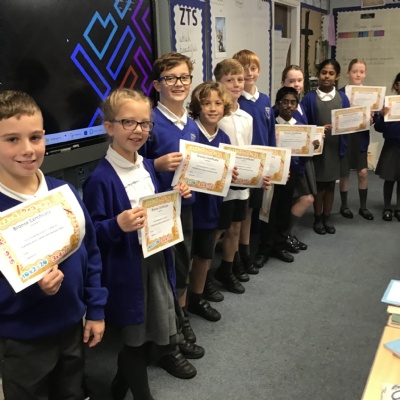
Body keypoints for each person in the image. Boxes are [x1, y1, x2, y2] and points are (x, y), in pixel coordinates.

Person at [82, 89, 198, 399]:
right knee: (135, 340)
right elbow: (91, 237)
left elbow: (156, 207)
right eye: (128, 122)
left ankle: (120, 383)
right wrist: (117, 225)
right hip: (129, 271)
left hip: (156, 261)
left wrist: (178, 196)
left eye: (145, 123)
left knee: (153, 335)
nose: (138, 130)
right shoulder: (100, 179)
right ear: (109, 127)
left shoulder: (146, 166)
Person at [0, 90, 107, 400]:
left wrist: (96, 310)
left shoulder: (64, 193)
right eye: (12, 139)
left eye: (35, 137)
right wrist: (35, 289)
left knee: (72, 392)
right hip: (22, 339)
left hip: (71, 326)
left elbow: (91, 254)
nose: (28, 149)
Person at [138, 52, 203, 377]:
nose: (178, 83)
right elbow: (131, 166)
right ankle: (168, 340)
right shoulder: (148, 123)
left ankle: (180, 321)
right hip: (157, 215)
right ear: (157, 84)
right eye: (170, 78)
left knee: (181, 269)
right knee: (163, 278)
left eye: (184, 77)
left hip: (184, 209)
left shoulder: (190, 123)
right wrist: (156, 164)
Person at [187, 81, 234, 322]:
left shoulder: (224, 138)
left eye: (218, 103)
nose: (213, 108)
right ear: (198, 106)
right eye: (206, 103)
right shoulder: (189, 132)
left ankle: (197, 297)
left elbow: (228, 174)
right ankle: (180, 306)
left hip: (211, 207)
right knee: (184, 257)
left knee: (205, 255)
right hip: (188, 207)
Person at [232, 49, 276, 272]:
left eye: (253, 68)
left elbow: (271, 133)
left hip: (261, 166)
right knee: (239, 214)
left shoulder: (265, 100)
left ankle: (246, 250)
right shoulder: (234, 102)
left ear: (258, 70)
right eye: (243, 69)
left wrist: (274, 164)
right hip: (242, 167)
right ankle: (235, 256)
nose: (249, 73)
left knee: (250, 211)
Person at [213, 58, 252, 294]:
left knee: (236, 227)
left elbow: (248, 149)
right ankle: (204, 276)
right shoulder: (215, 116)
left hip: (241, 183)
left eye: (240, 79)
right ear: (219, 83)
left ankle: (227, 269)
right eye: (229, 80)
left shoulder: (247, 117)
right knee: (218, 230)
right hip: (221, 184)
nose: (236, 84)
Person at [301, 59, 350, 235]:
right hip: (317, 149)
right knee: (319, 185)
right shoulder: (309, 98)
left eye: (331, 73)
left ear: (337, 76)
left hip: (335, 148)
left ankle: (327, 217)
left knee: (330, 185)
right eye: (323, 72)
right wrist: (319, 130)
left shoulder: (343, 98)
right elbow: (303, 124)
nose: (327, 76)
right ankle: (317, 217)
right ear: (318, 74)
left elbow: (348, 122)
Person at [278, 65, 315, 253]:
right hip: (286, 165)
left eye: (299, 80)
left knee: (303, 199)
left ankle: (286, 234)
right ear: (283, 83)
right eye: (291, 81)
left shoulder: (300, 106)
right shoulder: (279, 109)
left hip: (300, 162)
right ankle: (284, 235)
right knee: (303, 199)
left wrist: (315, 139)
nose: (296, 84)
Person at [339, 59, 374, 220]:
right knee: (344, 173)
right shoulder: (340, 93)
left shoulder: (370, 95)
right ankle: (344, 206)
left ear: (365, 74)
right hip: (345, 136)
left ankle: (363, 207)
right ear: (348, 73)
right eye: (354, 71)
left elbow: (375, 118)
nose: (358, 75)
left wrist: (372, 118)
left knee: (363, 172)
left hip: (360, 136)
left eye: (361, 72)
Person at [374, 73, 400, 222]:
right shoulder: (388, 104)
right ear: (396, 85)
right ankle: (387, 208)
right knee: (389, 178)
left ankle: (399, 208)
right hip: (391, 146)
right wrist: (382, 115)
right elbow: (378, 128)